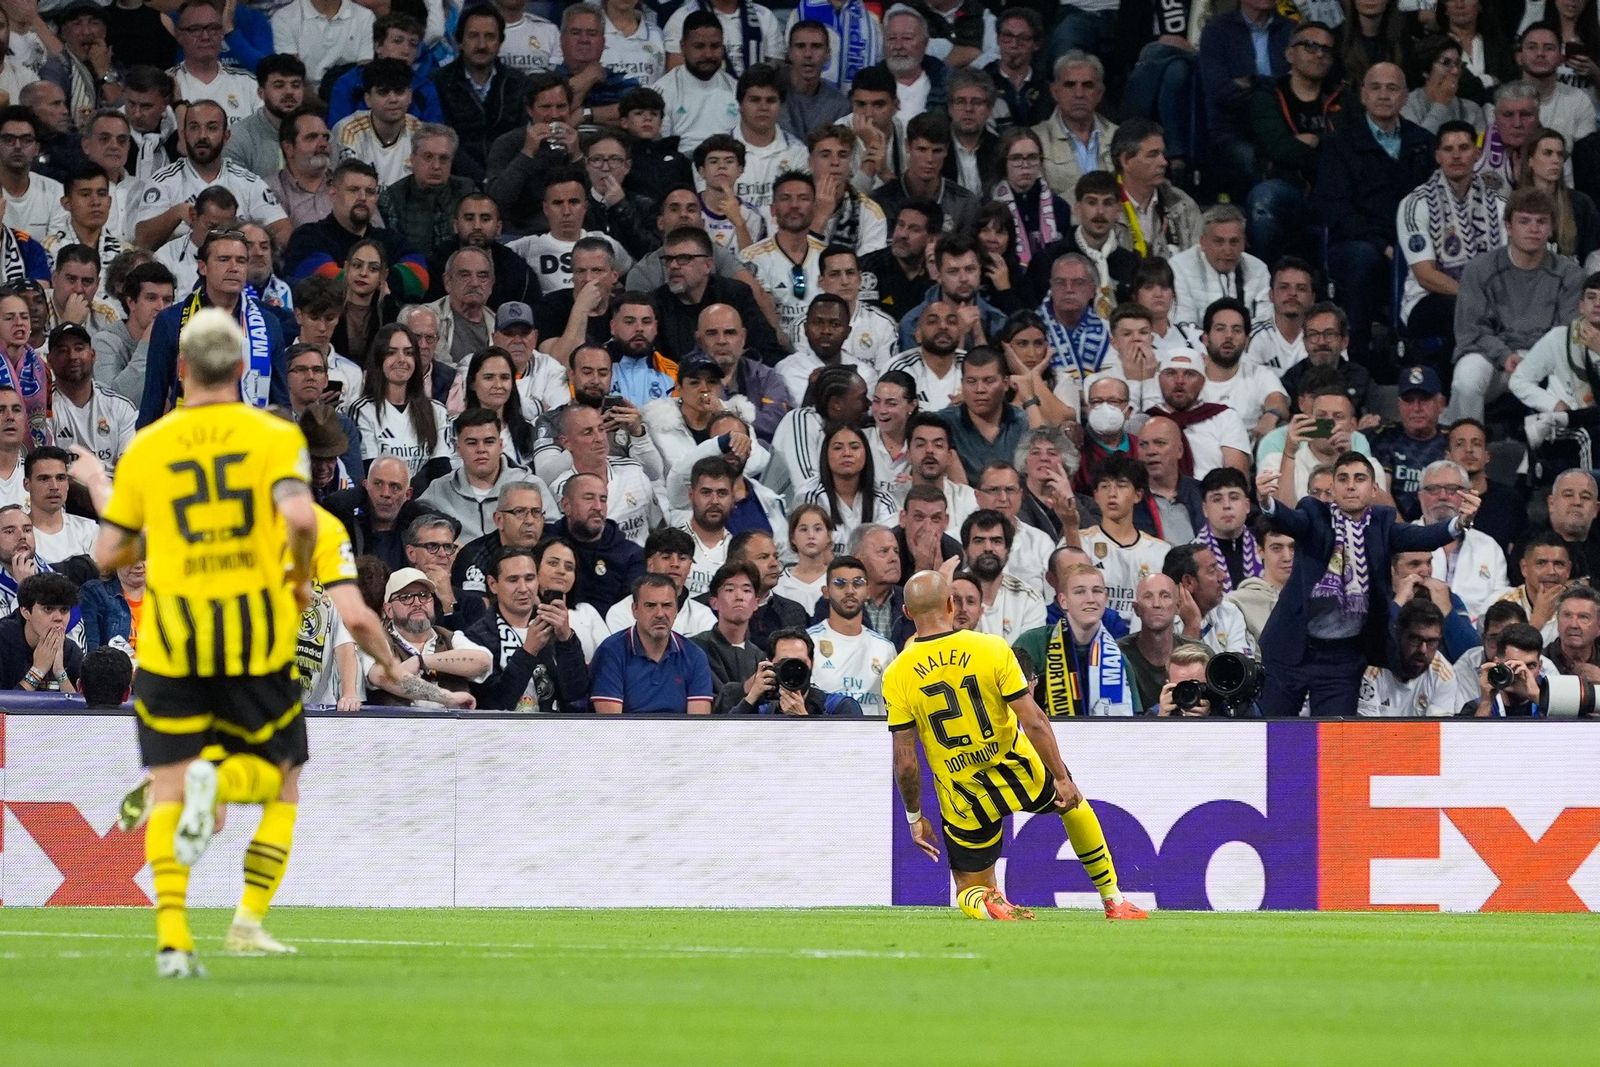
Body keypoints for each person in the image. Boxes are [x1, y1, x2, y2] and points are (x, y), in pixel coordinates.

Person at [888, 569, 1147, 920]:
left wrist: (914, 816)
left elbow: (906, 761)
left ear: (906, 613)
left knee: (969, 888)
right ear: (950, 604)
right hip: (1017, 767)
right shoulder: (991, 647)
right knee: (1073, 806)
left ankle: (986, 902)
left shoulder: (897, 673)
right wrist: (1061, 776)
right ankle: (1113, 899)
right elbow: (1033, 719)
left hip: (963, 791)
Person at [1256, 450, 1480, 717]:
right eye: (1343, 478)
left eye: (1359, 478)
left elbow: (1423, 537)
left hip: (1343, 658)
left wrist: (1461, 522)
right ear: (1334, 488)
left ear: (1374, 489)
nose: (1350, 485)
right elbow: (1290, 520)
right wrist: (1266, 501)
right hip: (1292, 648)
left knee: (1334, 741)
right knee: (1274, 733)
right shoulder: (1315, 515)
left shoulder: (1382, 524)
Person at [1315, 63, 1434, 368]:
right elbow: (1337, 210)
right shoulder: (1340, 144)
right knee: (1362, 258)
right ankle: (1359, 356)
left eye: (1392, 88)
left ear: (1406, 96)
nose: (1384, 95)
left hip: (1412, 244)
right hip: (1358, 243)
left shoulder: (1423, 143)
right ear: (1364, 95)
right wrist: (1383, 244)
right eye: (1376, 88)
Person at [1452, 187, 1585, 423]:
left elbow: (1566, 333)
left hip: (1544, 361)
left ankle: (1556, 452)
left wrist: (1534, 360)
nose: (1534, 229)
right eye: (1524, 221)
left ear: (1551, 228)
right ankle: (1467, 441)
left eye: (1541, 222)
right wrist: (1504, 355)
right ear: (1508, 227)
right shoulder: (1479, 269)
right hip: (1493, 358)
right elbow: (1470, 330)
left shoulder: (1570, 275)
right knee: (1466, 379)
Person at [138, 228, 289, 428]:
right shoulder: (171, 320)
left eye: (241, 261)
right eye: (224, 259)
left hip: (250, 440)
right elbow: (153, 397)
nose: (234, 267)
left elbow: (280, 400)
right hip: (189, 438)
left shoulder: (269, 323)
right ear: (203, 267)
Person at [1396, 121, 1506, 366]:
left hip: (1488, 299)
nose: (1456, 155)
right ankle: (1453, 391)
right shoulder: (1415, 204)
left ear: (1477, 154)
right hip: (1426, 300)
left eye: (1464, 147)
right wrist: (1475, 297)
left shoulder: (1499, 205)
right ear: (1437, 156)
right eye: (1448, 149)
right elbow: (1425, 275)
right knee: (1462, 310)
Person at [1245, 20, 1343, 267]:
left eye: (1326, 49)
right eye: (1310, 46)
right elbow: (1278, 148)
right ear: (1289, 53)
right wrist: (1325, 153)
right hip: (1285, 191)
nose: (1319, 54)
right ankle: (1266, 285)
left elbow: (1347, 150)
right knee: (1263, 197)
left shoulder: (1343, 99)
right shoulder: (1267, 95)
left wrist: (1315, 140)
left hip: (1332, 196)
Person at [462, 546, 589, 713]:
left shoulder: (555, 628)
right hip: (504, 734)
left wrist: (566, 639)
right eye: (513, 580)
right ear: (493, 584)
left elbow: (577, 696)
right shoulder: (477, 637)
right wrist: (528, 652)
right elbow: (493, 705)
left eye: (529, 578)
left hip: (555, 731)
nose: (523, 588)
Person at [590, 572, 715, 713]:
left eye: (667, 605)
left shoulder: (695, 656)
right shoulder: (610, 652)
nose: (660, 614)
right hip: (627, 734)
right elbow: (611, 726)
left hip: (679, 735)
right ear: (635, 610)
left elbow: (697, 725)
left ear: (676, 610)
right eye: (650, 605)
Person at [806, 554, 897, 715]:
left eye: (858, 583)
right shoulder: (808, 642)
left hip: (873, 739)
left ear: (868, 591)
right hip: (824, 738)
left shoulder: (885, 649)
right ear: (826, 592)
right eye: (840, 584)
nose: (850, 591)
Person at [1146, 347, 1251, 478]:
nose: (1180, 381)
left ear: (1202, 382)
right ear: (1159, 379)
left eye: (1189, 374)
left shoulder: (1225, 417)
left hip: (1211, 495)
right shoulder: (1145, 422)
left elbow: (1237, 479)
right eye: (1170, 373)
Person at [717, 625, 865, 714]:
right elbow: (728, 746)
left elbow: (849, 760)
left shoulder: (840, 707)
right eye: (784, 662)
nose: (792, 668)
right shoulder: (764, 711)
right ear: (770, 664)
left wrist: (802, 720)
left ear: (811, 664)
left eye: (799, 662)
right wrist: (751, 697)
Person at [1198, 297, 1288, 441]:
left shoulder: (1259, 374)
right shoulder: (1191, 376)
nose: (1229, 336)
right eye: (1220, 329)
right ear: (1205, 338)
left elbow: (1278, 401)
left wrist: (1272, 414)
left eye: (1237, 330)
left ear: (1247, 341)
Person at [1171, 207, 1270, 330]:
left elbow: (1265, 323)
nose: (1227, 251)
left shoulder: (1258, 269)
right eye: (1219, 242)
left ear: (1244, 242)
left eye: (1234, 242)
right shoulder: (1179, 267)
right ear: (1202, 242)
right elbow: (1183, 325)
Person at [1356, 598, 1459, 716]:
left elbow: (1437, 731)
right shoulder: (1372, 666)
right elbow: (1366, 731)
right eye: (1415, 639)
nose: (1423, 650)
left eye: (1431, 642)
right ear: (1399, 634)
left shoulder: (1443, 674)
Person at [0, 571, 81, 692]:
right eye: (48, 609)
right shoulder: (3, 641)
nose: (59, 618)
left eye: (64, 609)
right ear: (25, 612)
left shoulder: (71, 650)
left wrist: (60, 674)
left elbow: (81, 708)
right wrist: (38, 671)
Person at [692, 560, 765, 689]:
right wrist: (744, 689)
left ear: (756, 603)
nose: (739, 596)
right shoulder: (696, 649)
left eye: (746, 590)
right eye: (730, 589)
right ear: (714, 602)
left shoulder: (759, 657)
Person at [1465, 621, 1549, 716]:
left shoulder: (1557, 706)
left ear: (1540, 667)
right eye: (1513, 665)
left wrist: (1538, 698)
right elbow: (1473, 731)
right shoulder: (1474, 708)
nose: (1521, 672)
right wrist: (1486, 702)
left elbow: (1565, 728)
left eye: (1530, 666)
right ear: (1497, 664)